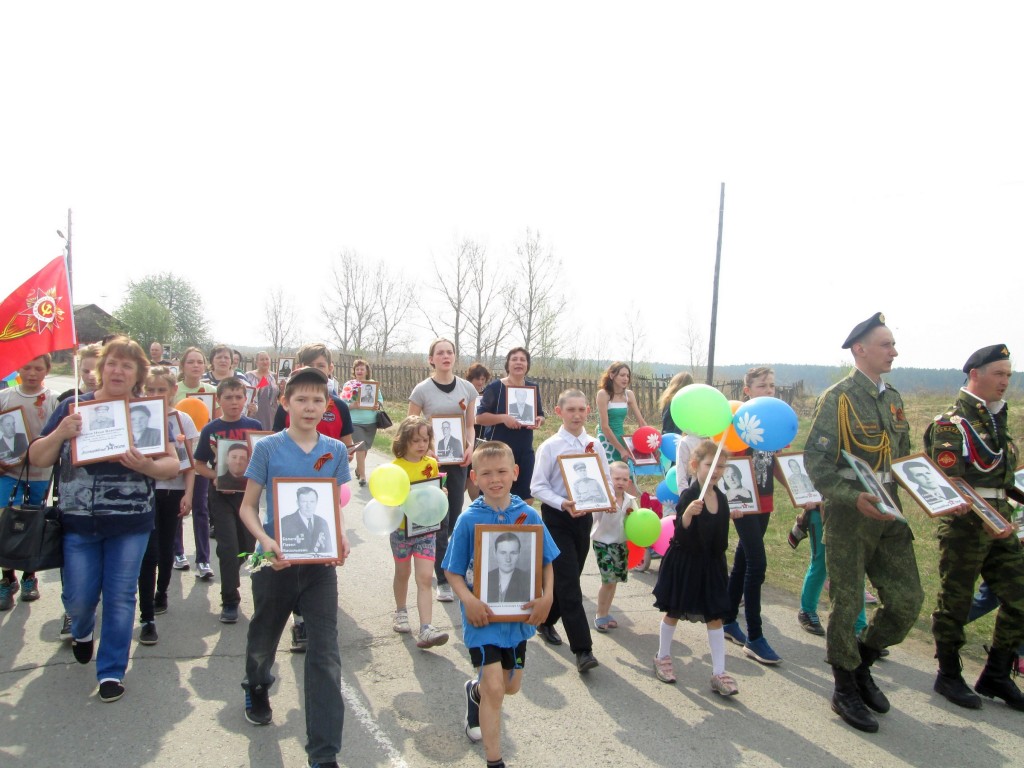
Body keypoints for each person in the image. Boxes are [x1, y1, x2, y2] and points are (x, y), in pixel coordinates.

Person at [29, 337, 179, 702]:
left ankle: (112, 670)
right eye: (112, 363)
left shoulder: (148, 412)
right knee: (79, 597)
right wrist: (62, 432)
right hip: (79, 523)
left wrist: (147, 466)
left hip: (131, 523)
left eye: (127, 366)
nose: (118, 371)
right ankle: (82, 630)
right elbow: (37, 457)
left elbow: (172, 464)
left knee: (120, 596)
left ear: (138, 374)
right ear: (100, 368)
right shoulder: (73, 407)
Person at [803, 312, 922, 733]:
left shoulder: (893, 399)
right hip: (850, 514)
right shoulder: (838, 398)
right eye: (886, 344)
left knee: (907, 602)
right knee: (848, 602)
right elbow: (816, 462)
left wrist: (936, 491)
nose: (894, 351)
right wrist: (852, 496)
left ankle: (862, 663)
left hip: (889, 512)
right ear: (860, 349)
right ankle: (844, 687)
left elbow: (904, 459)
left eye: (893, 344)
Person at [237, 367, 351, 768]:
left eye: (317, 400)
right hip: (274, 563)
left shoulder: (335, 451)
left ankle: (323, 753)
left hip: (319, 568)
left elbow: (334, 506)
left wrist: (340, 536)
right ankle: (256, 685)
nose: (309, 407)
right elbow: (247, 507)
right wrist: (265, 541)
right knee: (263, 639)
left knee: (325, 654)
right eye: (301, 399)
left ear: (327, 405)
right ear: (285, 403)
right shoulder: (268, 448)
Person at [442, 441, 558, 765]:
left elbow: (546, 561)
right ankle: (495, 760)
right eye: (487, 474)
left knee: (509, 687)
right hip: (482, 619)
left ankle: (474, 692)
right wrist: (468, 601)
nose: (495, 479)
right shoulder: (468, 519)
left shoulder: (528, 515)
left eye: (502, 472)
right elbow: (451, 571)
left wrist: (547, 597)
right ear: (474, 477)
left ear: (515, 473)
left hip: (518, 620)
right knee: (494, 688)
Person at [925, 344, 1024, 711]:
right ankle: (948, 673)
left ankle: (996, 673)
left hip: (1001, 523)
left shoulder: (996, 419)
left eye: (1009, 375)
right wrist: (991, 519)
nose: (1005, 381)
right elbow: (951, 480)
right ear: (975, 375)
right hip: (966, 526)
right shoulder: (951, 423)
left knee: (1020, 595)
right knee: (956, 600)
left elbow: (1003, 479)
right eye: (999, 374)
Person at [271, 342, 356, 651]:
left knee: (321, 547)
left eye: (321, 365)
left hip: (327, 486)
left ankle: (317, 610)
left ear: (330, 369)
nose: (317, 370)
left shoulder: (339, 407)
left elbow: (347, 442)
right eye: (310, 365)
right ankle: (299, 619)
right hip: (291, 489)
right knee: (294, 551)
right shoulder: (290, 405)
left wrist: (341, 455)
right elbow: (275, 442)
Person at [531, 388, 609, 673]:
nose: (577, 415)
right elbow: (537, 486)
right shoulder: (550, 447)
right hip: (557, 517)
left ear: (588, 411)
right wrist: (562, 503)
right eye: (571, 410)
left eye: (581, 409)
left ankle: (545, 620)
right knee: (569, 584)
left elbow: (604, 478)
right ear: (559, 412)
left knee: (568, 578)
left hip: (583, 518)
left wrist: (607, 501)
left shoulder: (594, 444)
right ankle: (583, 649)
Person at [652, 440, 738, 695]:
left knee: (715, 615)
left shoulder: (721, 498)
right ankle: (662, 656)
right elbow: (681, 533)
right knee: (674, 610)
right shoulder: (689, 496)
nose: (716, 471)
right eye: (710, 465)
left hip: (711, 565)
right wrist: (688, 514)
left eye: (721, 466)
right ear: (695, 465)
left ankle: (719, 672)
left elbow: (721, 540)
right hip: (686, 563)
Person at [408, 338, 478, 603]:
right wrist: (426, 451)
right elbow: (410, 427)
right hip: (431, 464)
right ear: (431, 359)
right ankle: (443, 578)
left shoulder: (467, 388)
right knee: (439, 518)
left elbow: (469, 425)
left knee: (454, 514)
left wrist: (470, 447)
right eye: (440, 353)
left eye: (450, 352)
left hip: (459, 463)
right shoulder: (422, 390)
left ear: (454, 357)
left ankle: (442, 557)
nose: (446, 356)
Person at [136, 367, 198, 646]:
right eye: (150, 389)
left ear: (174, 390)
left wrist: (189, 494)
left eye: (161, 390)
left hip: (173, 491)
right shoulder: (137, 416)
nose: (156, 395)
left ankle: (162, 591)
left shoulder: (182, 419)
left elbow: (190, 464)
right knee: (148, 553)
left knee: (165, 548)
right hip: (145, 491)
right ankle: (146, 616)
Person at [193, 377, 263, 624]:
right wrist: (216, 477)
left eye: (238, 397)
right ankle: (230, 600)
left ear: (245, 399)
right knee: (228, 548)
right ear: (219, 400)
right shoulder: (211, 429)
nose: (234, 402)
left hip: (248, 496)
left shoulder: (254, 426)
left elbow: (263, 457)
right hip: (221, 497)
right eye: (228, 397)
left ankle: (233, 564)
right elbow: (199, 464)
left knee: (247, 546)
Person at [0, 354, 59, 610]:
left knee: (33, 526)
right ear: (18, 369)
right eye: (27, 367)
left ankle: (29, 577)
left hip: (40, 474)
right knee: (5, 522)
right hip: (8, 473)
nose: (32, 373)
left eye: (38, 368)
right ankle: (7, 578)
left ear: (47, 370)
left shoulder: (54, 400)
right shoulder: (4, 397)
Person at [387, 416, 450, 648]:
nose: (422, 444)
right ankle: (401, 611)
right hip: (402, 531)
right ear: (403, 440)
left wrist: (441, 494)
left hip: (426, 529)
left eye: (425, 439)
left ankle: (426, 628)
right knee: (402, 573)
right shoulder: (395, 468)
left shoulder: (431, 464)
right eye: (416, 440)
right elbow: (389, 499)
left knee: (424, 577)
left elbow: (435, 491)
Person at [476, 348, 545, 503]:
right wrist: (503, 418)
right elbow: (479, 418)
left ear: (527, 365)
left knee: (526, 498)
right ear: (508, 364)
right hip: (498, 452)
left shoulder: (532, 388)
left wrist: (539, 420)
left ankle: (519, 520)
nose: (518, 363)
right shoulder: (495, 388)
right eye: (514, 359)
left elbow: (540, 414)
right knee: (494, 496)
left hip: (524, 451)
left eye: (522, 359)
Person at [170, 347, 214, 577]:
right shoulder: (175, 391)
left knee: (201, 508)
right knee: (178, 507)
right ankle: (178, 552)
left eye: (199, 362)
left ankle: (203, 560)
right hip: (177, 457)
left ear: (205, 365)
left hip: (201, 457)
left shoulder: (212, 391)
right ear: (182, 366)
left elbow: (218, 422)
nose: (196, 366)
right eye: (191, 362)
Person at [591, 461, 635, 632]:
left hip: (620, 544)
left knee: (615, 580)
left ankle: (606, 612)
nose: (621, 482)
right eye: (617, 478)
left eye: (624, 479)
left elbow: (636, 521)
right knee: (608, 579)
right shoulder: (603, 499)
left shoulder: (630, 501)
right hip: (603, 543)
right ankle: (600, 614)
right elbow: (593, 517)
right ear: (609, 479)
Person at [596, 362, 647, 496]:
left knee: (627, 478)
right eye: (622, 375)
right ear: (612, 375)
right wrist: (621, 449)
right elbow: (604, 427)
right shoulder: (603, 394)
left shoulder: (629, 394)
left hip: (621, 438)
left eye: (627, 376)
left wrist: (650, 441)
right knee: (610, 478)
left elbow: (641, 421)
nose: (625, 379)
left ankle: (629, 506)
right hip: (607, 440)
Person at [341, 358, 384, 488]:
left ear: (367, 371)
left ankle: (359, 469)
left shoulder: (372, 384)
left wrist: (377, 405)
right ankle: (363, 476)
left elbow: (380, 400)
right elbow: (343, 403)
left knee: (365, 449)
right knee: (360, 448)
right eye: (357, 369)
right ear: (354, 371)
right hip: (355, 422)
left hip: (371, 422)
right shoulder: (349, 385)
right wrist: (353, 405)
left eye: (362, 369)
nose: (359, 371)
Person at [279, 486, 333, 556]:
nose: (308, 506)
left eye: (312, 502)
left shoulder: (323, 522)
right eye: (304, 502)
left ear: (316, 502)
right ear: (297, 503)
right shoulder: (285, 522)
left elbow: (328, 551)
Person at [485, 532, 532, 603]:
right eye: (503, 553)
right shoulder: (486, 578)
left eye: (513, 553)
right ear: (495, 554)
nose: (508, 559)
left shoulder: (528, 581)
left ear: (519, 554)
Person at [245, 351, 281, 431]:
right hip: (253, 411)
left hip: (271, 413)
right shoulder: (249, 376)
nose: (265, 362)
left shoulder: (275, 376)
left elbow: (280, 395)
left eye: (267, 359)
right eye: (262, 359)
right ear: (256, 362)